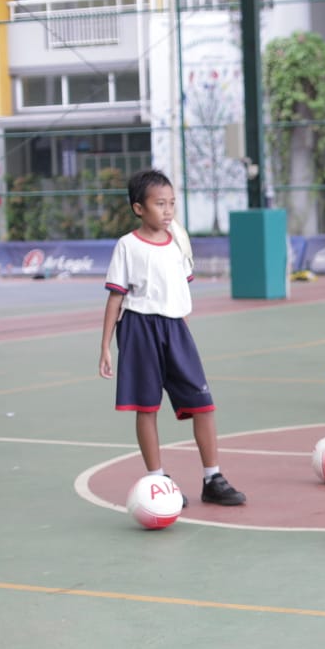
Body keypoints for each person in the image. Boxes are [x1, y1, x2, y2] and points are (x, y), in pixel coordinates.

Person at [98, 169, 246, 506]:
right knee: (146, 407)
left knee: (204, 405)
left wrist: (183, 334)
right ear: (139, 208)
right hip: (139, 330)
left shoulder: (179, 241)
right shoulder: (127, 246)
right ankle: (157, 480)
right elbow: (115, 298)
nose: (167, 210)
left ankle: (213, 478)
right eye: (159, 204)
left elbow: (178, 291)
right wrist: (105, 346)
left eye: (172, 204)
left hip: (176, 330)